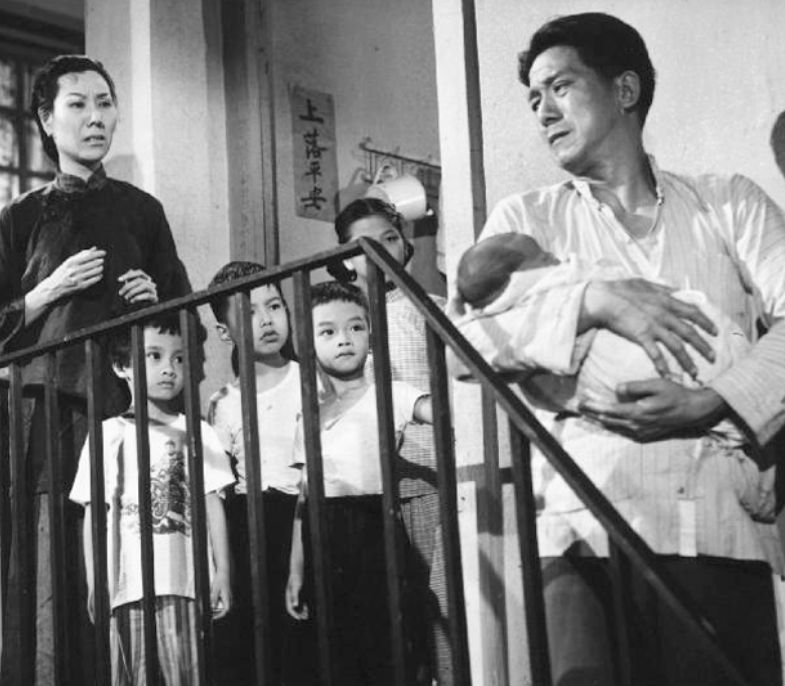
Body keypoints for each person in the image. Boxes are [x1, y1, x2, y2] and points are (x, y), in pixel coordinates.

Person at [456, 13, 785, 685]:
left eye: (560, 87)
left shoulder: (727, 203)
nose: (543, 112)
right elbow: (467, 345)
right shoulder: (527, 219)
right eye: (533, 98)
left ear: (624, 89)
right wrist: (594, 301)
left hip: (718, 525)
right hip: (585, 529)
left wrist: (712, 400)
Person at [0, 55, 191, 684]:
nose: (95, 118)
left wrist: (155, 302)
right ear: (46, 120)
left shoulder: (143, 211)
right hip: (45, 414)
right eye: (78, 105)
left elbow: (185, 325)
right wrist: (45, 291)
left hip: (125, 408)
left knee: (128, 555)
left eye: (105, 103)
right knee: (53, 561)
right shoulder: (18, 217)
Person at [68, 313, 233, 685]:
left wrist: (223, 571)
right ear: (121, 366)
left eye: (179, 358)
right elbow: (94, 515)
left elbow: (213, 503)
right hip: (127, 587)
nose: (169, 368)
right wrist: (96, 581)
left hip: (185, 584)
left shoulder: (198, 432)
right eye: (154, 356)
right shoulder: (107, 435)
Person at [285, 280, 432, 686]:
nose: (344, 339)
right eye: (328, 331)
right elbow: (304, 496)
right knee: (336, 651)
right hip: (323, 533)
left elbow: (437, 410)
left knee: (383, 645)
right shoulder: (310, 415)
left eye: (355, 327)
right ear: (308, 344)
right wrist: (295, 570)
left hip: (372, 527)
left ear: (371, 334)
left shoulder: (389, 393)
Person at [331, 197, 449, 684]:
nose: (380, 251)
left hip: (426, 476)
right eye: (365, 245)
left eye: (390, 238)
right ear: (346, 259)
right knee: (382, 617)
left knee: (439, 599)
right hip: (366, 488)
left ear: (405, 245)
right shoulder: (342, 322)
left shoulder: (431, 308)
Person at [206, 261, 302, 685]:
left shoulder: (311, 379)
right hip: (251, 521)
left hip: (304, 514)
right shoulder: (224, 402)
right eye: (249, 312)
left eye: (274, 306)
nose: (266, 320)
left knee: (304, 634)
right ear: (225, 332)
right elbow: (217, 485)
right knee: (256, 643)